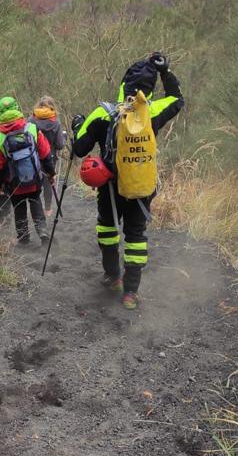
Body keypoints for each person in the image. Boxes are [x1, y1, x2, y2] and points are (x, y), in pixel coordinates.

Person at [72, 52, 184, 309]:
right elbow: (178, 99)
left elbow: (79, 148)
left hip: (109, 188)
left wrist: (79, 124)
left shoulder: (104, 113)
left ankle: (113, 277)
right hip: (140, 189)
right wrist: (165, 72)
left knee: (108, 230)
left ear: (123, 85)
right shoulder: (152, 111)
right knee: (136, 236)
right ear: (150, 90)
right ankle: (131, 293)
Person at [0, 97, 55, 246]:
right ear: (17, 109)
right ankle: (42, 231)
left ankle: (24, 238)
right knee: (35, 202)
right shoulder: (31, 128)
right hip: (34, 179)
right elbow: (45, 153)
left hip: (13, 183)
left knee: (19, 208)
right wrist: (51, 174)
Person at [30, 95, 66, 215]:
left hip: (33, 157)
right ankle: (48, 209)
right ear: (52, 106)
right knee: (48, 182)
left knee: (34, 183)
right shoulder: (55, 122)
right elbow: (60, 144)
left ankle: (36, 209)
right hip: (49, 157)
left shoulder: (31, 120)